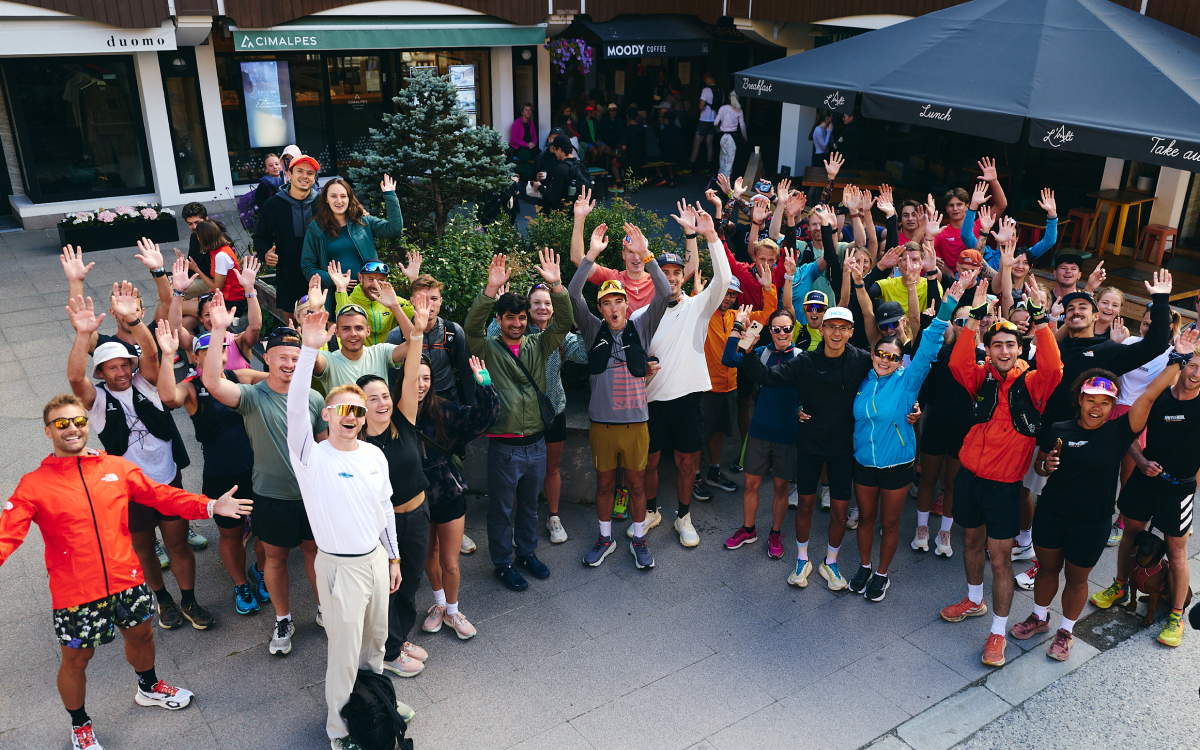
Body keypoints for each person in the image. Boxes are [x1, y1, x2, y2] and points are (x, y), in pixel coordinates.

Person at [0, 393, 252, 750]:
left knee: (142, 637)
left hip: (126, 580)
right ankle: (80, 724)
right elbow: (7, 533)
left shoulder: (116, 468)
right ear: (47, 431)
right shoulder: (34, 484)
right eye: (61, 423)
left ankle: (148, 688)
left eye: (78, 421)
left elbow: (162, 496)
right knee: (77, 659)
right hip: (76, 592)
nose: (72, 428)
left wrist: (209, 504)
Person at [1011, 345, 1193, 660]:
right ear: (1079, 400)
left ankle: (1066, 631)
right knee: (1046, 571)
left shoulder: (1119, 431)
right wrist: (1047, 464)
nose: (1097, 408)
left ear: (1113, 405)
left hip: (1091, 522)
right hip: (1052, 515)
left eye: (1105, 402)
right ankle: (1040, 617)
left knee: (1077, 579)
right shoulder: (1059, 429)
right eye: (1091, 400)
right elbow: (1041, 464)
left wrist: (1176, 361)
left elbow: (1149, 396)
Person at [65, 286, 214, 631]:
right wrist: (83, 334)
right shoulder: (98, 401)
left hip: (167, 478)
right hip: (130, 491)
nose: (119, 372)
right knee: (145, 549)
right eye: (110, 368)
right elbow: (75, 377)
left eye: (124, 366)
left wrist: (133, 320)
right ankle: (163, 600)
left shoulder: (147, 382)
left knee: (177, 544)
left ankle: (189, 599)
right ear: (100, 373)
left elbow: (150, 351)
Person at [288, 310, 405, 749]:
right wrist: (309, 349)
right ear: (330, 415)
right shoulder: (311, 457)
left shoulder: (374, 456)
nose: (353, 416)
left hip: (376, 562)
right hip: (338, 568)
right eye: (344, 410)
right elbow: (296, 407)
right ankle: (340, 733)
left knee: (375, 648)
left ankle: (376, 706)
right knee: (343, 657)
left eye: (358, 410)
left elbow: (385, 511)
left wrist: (392, 558)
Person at [1015, 274, 1174, 579]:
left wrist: (1162, 299)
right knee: (1029, 494)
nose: (1076, 311)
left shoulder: (1107, 351)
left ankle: (1039, 567)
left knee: (1056, 503)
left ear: (1096, 314)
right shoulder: (1056, 345)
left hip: (1079, 447)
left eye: (1083, 307)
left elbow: (1155, 343)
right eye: (1071, 307)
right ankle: (1025, 543)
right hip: (1041, 436)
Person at [939, 279, 1062, 669]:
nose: (1004, 350)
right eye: (997, 345)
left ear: (1020, 348)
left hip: (1005, 487)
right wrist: (974, 320)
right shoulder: (982, 376)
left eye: (1010, 344)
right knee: (971, 543)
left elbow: (1055, 366)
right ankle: (974, 601)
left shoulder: (1034, 383)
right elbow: (958, 363)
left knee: (1000, 560)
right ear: (988, 351)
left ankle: (997, 632)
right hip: (970, 479)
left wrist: (1041, 320)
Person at [201, 298, 330, 656]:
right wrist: (218, 331)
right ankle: (283, 618)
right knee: (273, 559)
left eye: (295, 357)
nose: (289, 364)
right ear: (267, 358)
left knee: (314, 552)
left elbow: (324, 448)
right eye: (282, 357)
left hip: (310, 496)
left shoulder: (314, 398)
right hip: (271, 496)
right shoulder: (252, 397)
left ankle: (323, 610)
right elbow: (212, 382)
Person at [737, 304, 873, 590]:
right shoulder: (805, 361)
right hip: (809, 445)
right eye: (831, 326)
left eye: (842, 327)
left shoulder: (861, 359)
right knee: (806, 506)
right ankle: (802, 559)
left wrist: (913, 405)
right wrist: (748, 353)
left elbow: (889, 375)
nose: (836, 333)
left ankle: (831, 562)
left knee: (839, 511)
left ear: (851, 332)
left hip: (842, 449)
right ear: (820, 329)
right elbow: (768, 378)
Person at [464, 248, 572, 591]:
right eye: (509, 317)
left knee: (529, 506)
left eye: (521, 317)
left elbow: (565, 322)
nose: (516, 322)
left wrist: (558, 287)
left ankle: (526, 553)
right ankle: (502, 562)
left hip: (536, 444)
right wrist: (488, 291)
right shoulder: (488, 348)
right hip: (505, 448)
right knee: (501, 510)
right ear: (500, 319)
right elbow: (470, 329)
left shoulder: (539, 344)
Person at [848, 281, 963, 601]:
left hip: (897, 464)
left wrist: (948, 304)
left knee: (889, 522)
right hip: (863, 463)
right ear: (872, 353)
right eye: (880, 354)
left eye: (892, 357)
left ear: (900, 362)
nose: (884, 360)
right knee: (866, 519)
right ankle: (864, 566)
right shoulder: (863, 379)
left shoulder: (907, 382)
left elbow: (927, 345)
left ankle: (882, 575)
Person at [1091, 328, 1200, 648]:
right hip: (1143, 480)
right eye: (1192, 364)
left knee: (1177, 551)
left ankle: (1177, 615)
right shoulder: (1158, 396)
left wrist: (1191, 488)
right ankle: (1120, 586)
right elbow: (1130, 434)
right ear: (1180, 365)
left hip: (1179, 489)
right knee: (1129, 535)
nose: (1196, 373)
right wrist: (1139, 460)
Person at [570, 224, 671, 568]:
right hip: (602, 425)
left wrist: (647, 254)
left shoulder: (640, 325)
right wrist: (591, 257)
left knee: (637, 485)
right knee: (603, 487)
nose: (613, 308)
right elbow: (572, 295)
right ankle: (605, 537)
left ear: (628, 305)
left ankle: (639, 538)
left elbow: (665, 291)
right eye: (606, 302)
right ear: (600, 308)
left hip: (636, 424)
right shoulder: (592, 330)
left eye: (619, 301)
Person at [154, 327, 269, 616]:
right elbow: (169, 397)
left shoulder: (239, 377)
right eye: (207, 352)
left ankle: (262, 570)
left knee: (267, 532)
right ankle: (241, 584)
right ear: (195, 358)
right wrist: (168, 356)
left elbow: (283, 381)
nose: (216, 356)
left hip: (258, 470)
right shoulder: (192, 388)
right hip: (223, 475)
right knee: (231, 535)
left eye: (220, 350)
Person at [642, 209, 733, 547]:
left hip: (689, 401)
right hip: (651, 403)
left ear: (684, 276)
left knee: (685, 464)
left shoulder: (698, 307)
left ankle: (683, 516)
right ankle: (651, 512)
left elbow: (722, 281)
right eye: (664, 272)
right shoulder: (640, 315)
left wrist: (711, 237)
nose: (671, 277)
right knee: (649, 464)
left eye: (676, 272)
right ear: (655, 277)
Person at [356, 293, 435, 678]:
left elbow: (411, 370)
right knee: (387, 586)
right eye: (374, 399)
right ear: (360, 405)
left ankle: (397, 637)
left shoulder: (403, 417)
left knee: (411, 581)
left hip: (418, 514)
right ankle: (387, 651)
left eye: (385, 395)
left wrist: (416, 333)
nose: (383, 403)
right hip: (383, 527)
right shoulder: (356, 442)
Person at [488, 280, 587, 542]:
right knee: (520, 475)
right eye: (536, 303)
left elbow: (586, 356)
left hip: (552, 409)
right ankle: (520, 521)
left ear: (554, 309)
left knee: (550, 468)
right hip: (518, 415)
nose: (542, 307)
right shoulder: (516, 332)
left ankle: (553, 517)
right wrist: (499, 306)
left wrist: (588, 326)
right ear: (528, 308)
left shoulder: (560, 335)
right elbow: (488, 340)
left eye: (547, 303)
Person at [412, 354, 499, 641]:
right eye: (416, 377)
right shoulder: (395, 414)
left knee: (450, 561)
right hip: (414, 498)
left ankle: (452, 610)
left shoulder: (444, 409)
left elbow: (481, 419)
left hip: (447, 491)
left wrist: (484, 385)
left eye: (426, 378)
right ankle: (438, 604)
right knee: (429, 554)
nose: (421, 384)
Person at [721, 308, 800, 558]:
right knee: (750, 484)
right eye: (775, 328)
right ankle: (748, 529)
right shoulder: (761, 352)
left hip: (787, 433)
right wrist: (738, 328)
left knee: (780, 488)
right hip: (760, 429)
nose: (781, 333)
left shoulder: (801, 357)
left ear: (793, 329)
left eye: (786, 328)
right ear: (770, 330)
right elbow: (728, 359)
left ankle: (775, 533)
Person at [701, 273, 777, 494]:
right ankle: (695, 477)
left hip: (729, 386)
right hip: (706, 386)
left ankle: (713, 471)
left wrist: (768, 289)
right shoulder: (704, 314)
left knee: (719, 432)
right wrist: (699, 292)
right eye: (725, 293)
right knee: (700, 435)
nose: (728, 298)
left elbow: (767, 316)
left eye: (732, 294)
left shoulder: (739, 316)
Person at [913, 301, 979, 556]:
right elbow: (919, 350)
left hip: (964, 430)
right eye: (960, 322)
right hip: (936, 423)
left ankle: (945, 532)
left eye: (970, 322)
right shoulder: (940, 353)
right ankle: (921, 529)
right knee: (927, 479)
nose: (965, 327)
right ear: (953, 325)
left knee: (951, 485)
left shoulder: (983, 358)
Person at [570, 189, 698, 312]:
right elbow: (578, 259)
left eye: (639, 252)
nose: (636, 257)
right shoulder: (611, 278)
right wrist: (579, 219)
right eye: (631, 251)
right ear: (623, 254)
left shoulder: (658, 280)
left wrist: (690, 231)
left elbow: (691, 268)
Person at [302, 176, 404, 314]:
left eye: (343, 196)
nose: (339, 201)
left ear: (349, 198)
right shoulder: (316, 228)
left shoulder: (363, 222)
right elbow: (308, 267)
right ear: (326, 199)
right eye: (333, 196)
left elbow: (394, 229)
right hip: (336, 295)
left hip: (368, 294)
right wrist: (333, 279)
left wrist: (390, 195)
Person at [303, 275, 417, 392]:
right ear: (337, 332)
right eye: (346, 328)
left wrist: (395, 307)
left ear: (368, 331)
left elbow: (414, 342)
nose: (353, 333)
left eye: (359, 328)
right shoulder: (330, 361)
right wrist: (314, 309)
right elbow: (311, 358)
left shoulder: (380, 353)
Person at [254, 154, 321, 320]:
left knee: (322, 328)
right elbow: (260, 238)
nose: (305, 176)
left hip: (319, 276)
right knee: (294, 329)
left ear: (314, 178)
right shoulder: (272, 205)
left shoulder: (322, 203)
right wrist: (265, 253)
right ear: (289, 174)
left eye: (310, 173)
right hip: (288, 276)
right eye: (300, 171)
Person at [933, 158, 1008, 269]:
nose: (955, 208)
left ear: (967, 206)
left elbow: (1001, 205)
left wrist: (994, 181)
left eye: (959, 204)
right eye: (951, 205)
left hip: (976, 278)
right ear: (946, 209)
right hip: (950, 280)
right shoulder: (941, 232)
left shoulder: (980, 225)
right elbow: (926, 248)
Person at [337, 259, 419, 347]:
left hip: (390, 357)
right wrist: (341, 289)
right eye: (371, 279)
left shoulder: (396, 301)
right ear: (360, 278)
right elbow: (341, 323)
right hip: (360, 357)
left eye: (381, 280)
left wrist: (414, 280)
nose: (376, 285)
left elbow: (420, 320)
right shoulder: (350, 302)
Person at [527, 134, 580, 213]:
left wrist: (539, 187)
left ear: (560, 149)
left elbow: (552, 196)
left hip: (562, 214)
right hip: (577, 210)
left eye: (555, 149)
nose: (554, 151)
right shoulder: (579, 165)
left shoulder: (560, 169)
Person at [684, 71, 721, 174]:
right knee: (710, 144)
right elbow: (720, 106)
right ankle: (708, 166)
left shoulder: (706, 90)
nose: (705, 82)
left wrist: (699, 103)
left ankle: (689, 166)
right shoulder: (720, 90)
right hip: (714, 121)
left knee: (696, 144)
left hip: (704, 120)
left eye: (705, 80)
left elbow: (701, 107)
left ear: (708, 79)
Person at [713, 92, 747, 181]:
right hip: (732, 138)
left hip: (722, 136)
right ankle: (725, 184)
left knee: (722, 159)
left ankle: (720, 180)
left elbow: (715, 123)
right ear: (738, 98)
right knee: (729, 161)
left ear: (728, 97)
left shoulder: (722, 108)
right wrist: (745, 137)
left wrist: (720, 126)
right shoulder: (739, 110)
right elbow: (742, 126)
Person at [509, 102, 540, 179]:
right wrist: (527, 144)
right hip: (518, 147)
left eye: (530, 110)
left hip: (529, 146)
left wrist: (533, 144)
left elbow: (535, 138)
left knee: (539, 154)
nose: (528, 112)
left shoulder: (531, 124)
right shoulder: (517, 123)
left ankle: (537, 174)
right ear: (522, 112)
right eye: (526, 110)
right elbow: (513, 139)